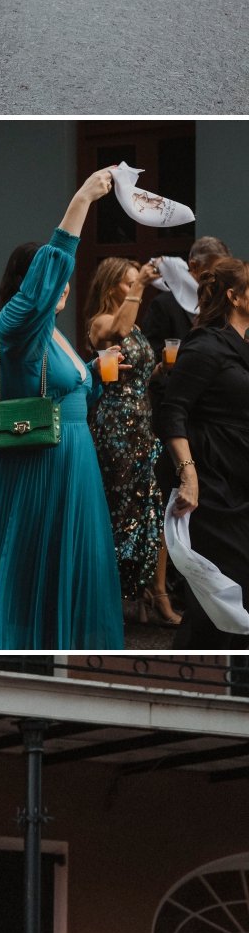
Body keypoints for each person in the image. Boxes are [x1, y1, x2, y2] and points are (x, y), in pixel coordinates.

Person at [0, 174, 125, 653]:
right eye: (54, 281)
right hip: (38, 467)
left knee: (58, 564)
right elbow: (48, 273)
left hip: (72, 465)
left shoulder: (55, 336)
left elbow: (67, 398)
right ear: (34, 287)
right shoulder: (18, 325)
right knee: (28, 560)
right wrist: (84, 198)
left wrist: (95, 371)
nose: (63, 287)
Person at [84, 251, 171, 626]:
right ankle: (114, 594)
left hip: (143, 421)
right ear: (111, 284)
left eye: (136, 279)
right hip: (115, 424)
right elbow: (115, 334)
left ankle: (151, 592)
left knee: (150, 507)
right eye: (128, 279)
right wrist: (140, 285)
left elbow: (135, 372)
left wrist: (160, 369)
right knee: (119, 507)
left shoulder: (135, 325)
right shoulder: (102, 322)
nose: (134, 284)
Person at [165, 259, 249, 647]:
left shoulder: (243, 344)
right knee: (221, 589)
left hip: (242, 478)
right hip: (214, 485)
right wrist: (189, 476)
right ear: (234, 296)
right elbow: (172, 411)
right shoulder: (206, 344)